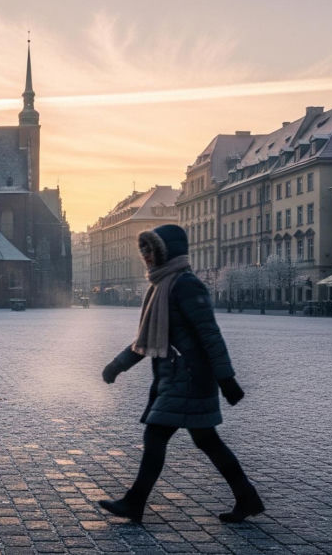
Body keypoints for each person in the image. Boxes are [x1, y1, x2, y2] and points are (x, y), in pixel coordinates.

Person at [99, 223, 264, 524]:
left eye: (151, 249)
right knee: (207, 440)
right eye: (143, 250)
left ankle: (134, 503)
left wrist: (227, 380)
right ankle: (247, 497)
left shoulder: (185, 284)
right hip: (175, 377)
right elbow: (146, 340)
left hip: (189, 376)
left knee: (157, 435)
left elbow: (209, 333)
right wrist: (117, 365)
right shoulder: (162, 285)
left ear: (167, 251)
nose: (146, 255)